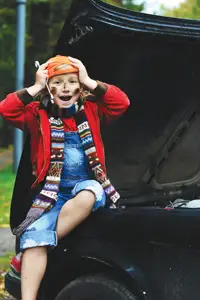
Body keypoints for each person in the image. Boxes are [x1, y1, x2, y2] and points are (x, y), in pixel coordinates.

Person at [0, 55, 130, 300]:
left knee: (89, 194)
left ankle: (37, 240)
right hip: (52, 193)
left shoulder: (92, 110)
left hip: (86, 184)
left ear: (80, 87)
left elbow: (121, 103)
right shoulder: (37, 115)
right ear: (49, 87)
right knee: (35, 240)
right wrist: (36, 86)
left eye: (72, 81)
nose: (66, 88)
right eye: (58, 82)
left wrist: (89, 80)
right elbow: (6, 109)